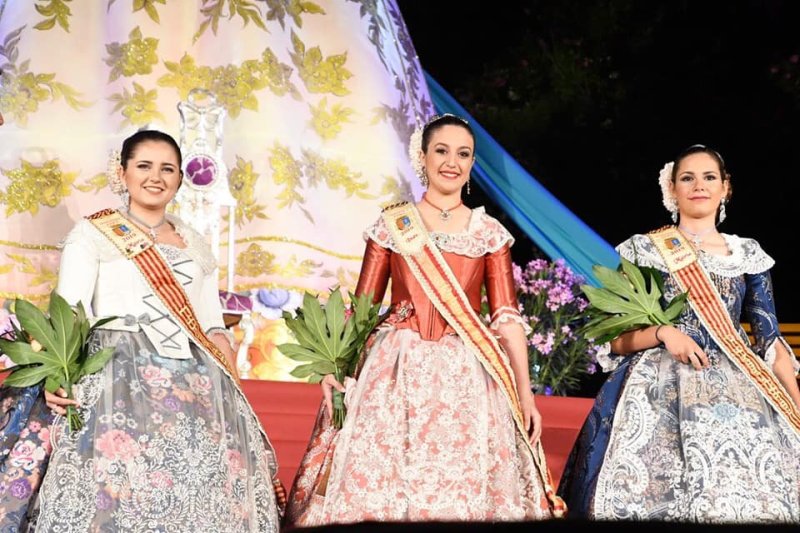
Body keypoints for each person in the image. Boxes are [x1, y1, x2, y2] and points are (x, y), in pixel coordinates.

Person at [285, 114, 562, 526]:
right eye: (442, 150)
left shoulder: (488, 232)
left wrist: (525, 394)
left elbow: (506, 318)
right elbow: (363, 308)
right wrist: (335, 369)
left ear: (471, 165)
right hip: (393, 369)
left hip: (468, 372)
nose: (452, 161)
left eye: (463, 154)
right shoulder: (393, 224)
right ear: (423, 156)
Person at [1, 130, 283, 531]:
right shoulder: (93, 233)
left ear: (180, 179)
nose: (156, 177)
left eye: (167, 168)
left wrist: (235, 395)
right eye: (144, 166)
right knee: (120, 485)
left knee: (194, 488)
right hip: (117, 375)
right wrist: (56, 377)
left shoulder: (195, 243)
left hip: (197, 382)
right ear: (123, 173)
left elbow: (212, 325)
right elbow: (69, 314)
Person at [558, 145, 800, 522]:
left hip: (742, 387)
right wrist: (662, 332)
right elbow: (617, 340)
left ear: (725, 188)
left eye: (709, 178)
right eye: (688, 178)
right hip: (657, 387)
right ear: (673, 188)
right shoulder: (646, 250)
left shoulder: (747, 253)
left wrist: (796, 408)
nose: (699, 186)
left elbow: (771, 343)